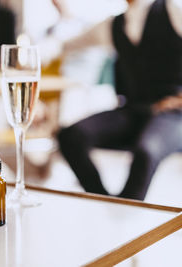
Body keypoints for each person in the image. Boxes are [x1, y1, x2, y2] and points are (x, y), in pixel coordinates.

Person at [55, 0, 182, 200]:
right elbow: (67, 45)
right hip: (133, 109)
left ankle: (125, 207)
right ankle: (103, 200)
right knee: (70, 136)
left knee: (146, 151)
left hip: (173, 115)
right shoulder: (112, 25)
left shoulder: (173, 12)